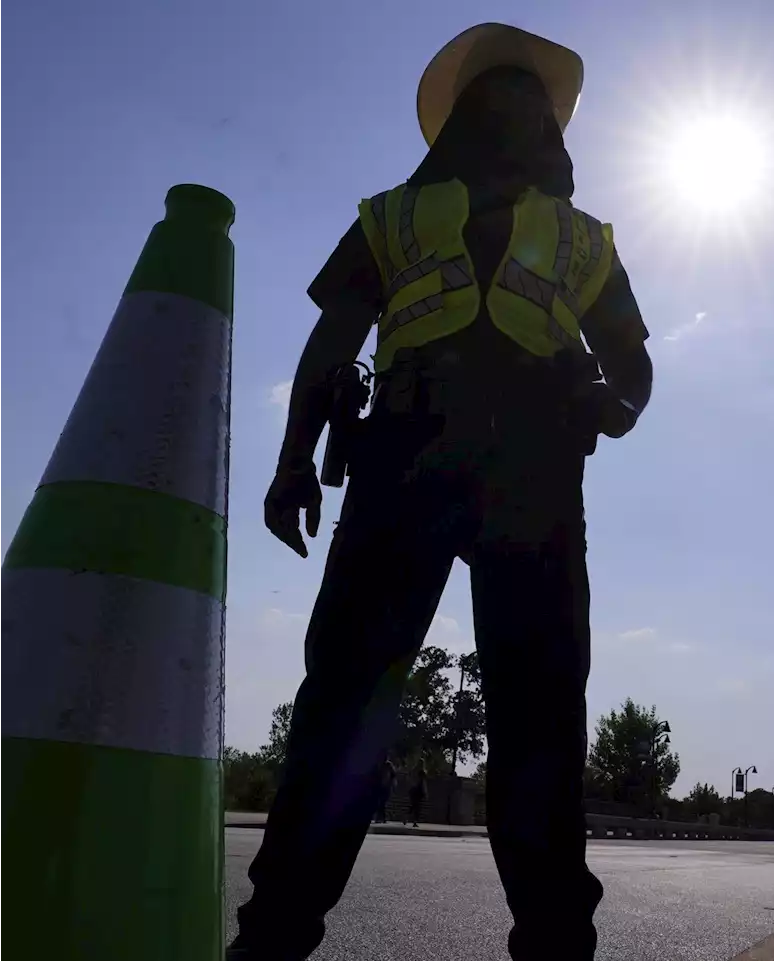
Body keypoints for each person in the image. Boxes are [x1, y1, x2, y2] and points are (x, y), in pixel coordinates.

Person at [227, 23, 652, 961]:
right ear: (460, 120)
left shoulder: (584, 240)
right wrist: (294, 456)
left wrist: (612, 403)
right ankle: (271, 940)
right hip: (404, 455)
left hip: (536, 475)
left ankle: (554, 943)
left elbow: (635, 362)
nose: (521, 116)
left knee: (541, 724)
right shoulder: (394, 216)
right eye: (498, 100)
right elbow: (331, 343)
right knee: (342, 710)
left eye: (535, 108)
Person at [406, 757, 429, 827]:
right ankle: (414, 821)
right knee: (417, 807)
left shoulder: (413, 770)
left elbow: (409, 778)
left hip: (412, 790)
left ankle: (406, 817)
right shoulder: (422, 772)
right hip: (418, 791)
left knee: (413, 806)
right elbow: (423, 783)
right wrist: (425, 792)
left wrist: (411, 785)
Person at [375, 757, 396, 823]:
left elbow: (393, 775)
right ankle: (381, 818)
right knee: (381, 802)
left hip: (386, 786)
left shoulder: (388, 765)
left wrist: (392, 784)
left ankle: (381, 817)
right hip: (381, 786)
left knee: (382, 802)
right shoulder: (381, 765)